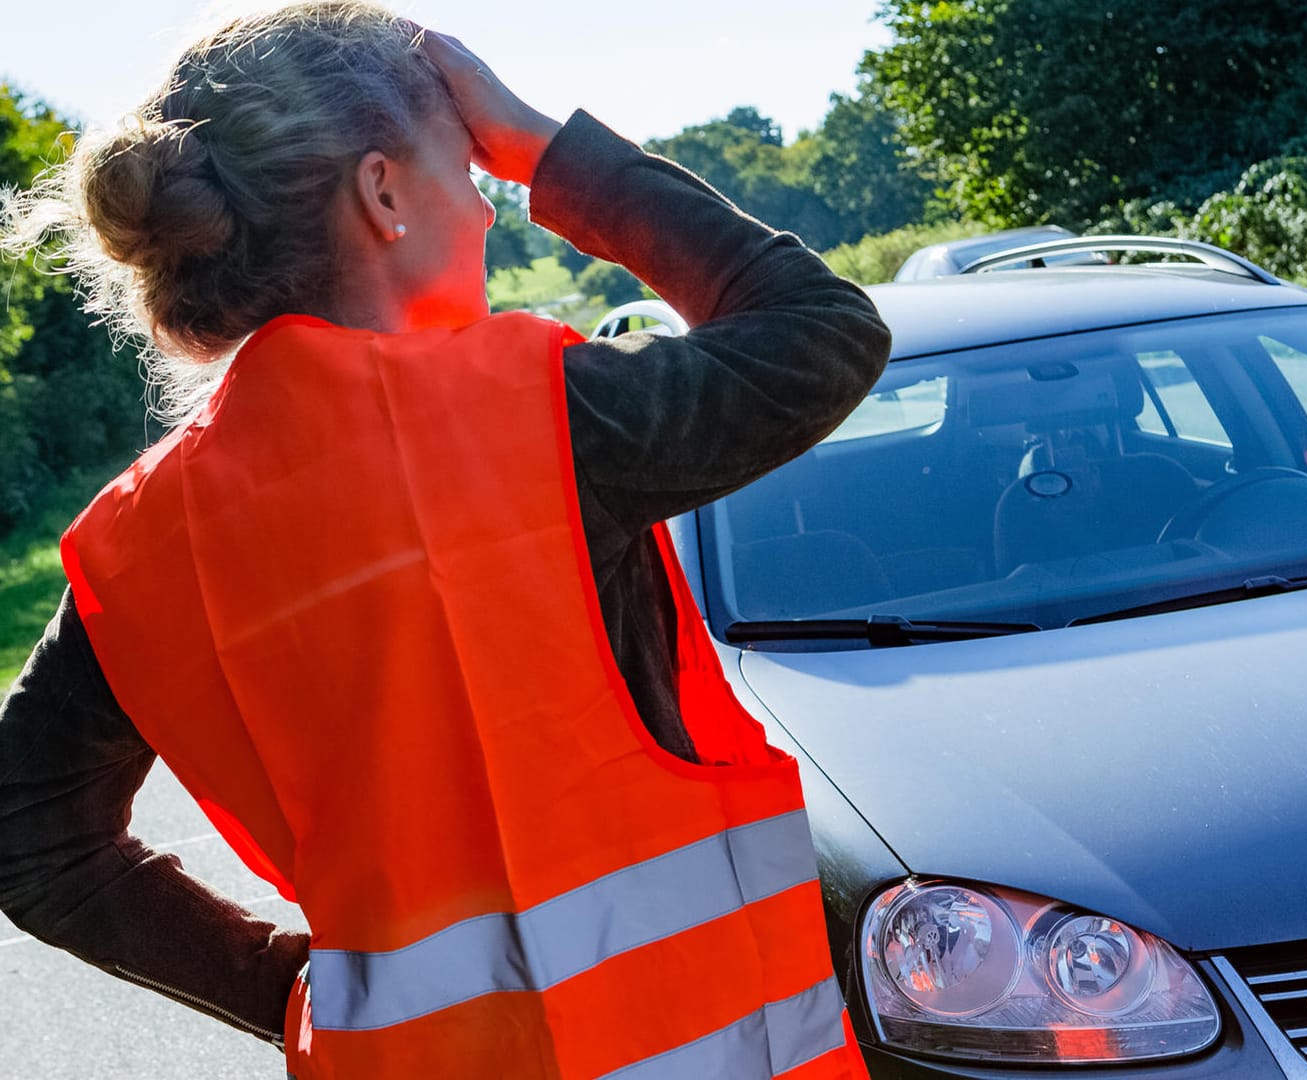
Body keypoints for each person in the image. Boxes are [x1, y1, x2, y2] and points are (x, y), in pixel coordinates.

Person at [0, 3, 889, 1076]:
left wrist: (284, 987)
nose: (488, 210)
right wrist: (552, 151)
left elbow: (30, 837)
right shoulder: (540, 415)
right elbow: (823, 333)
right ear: (381, 194)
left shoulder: (137, 542)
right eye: (475, 171)